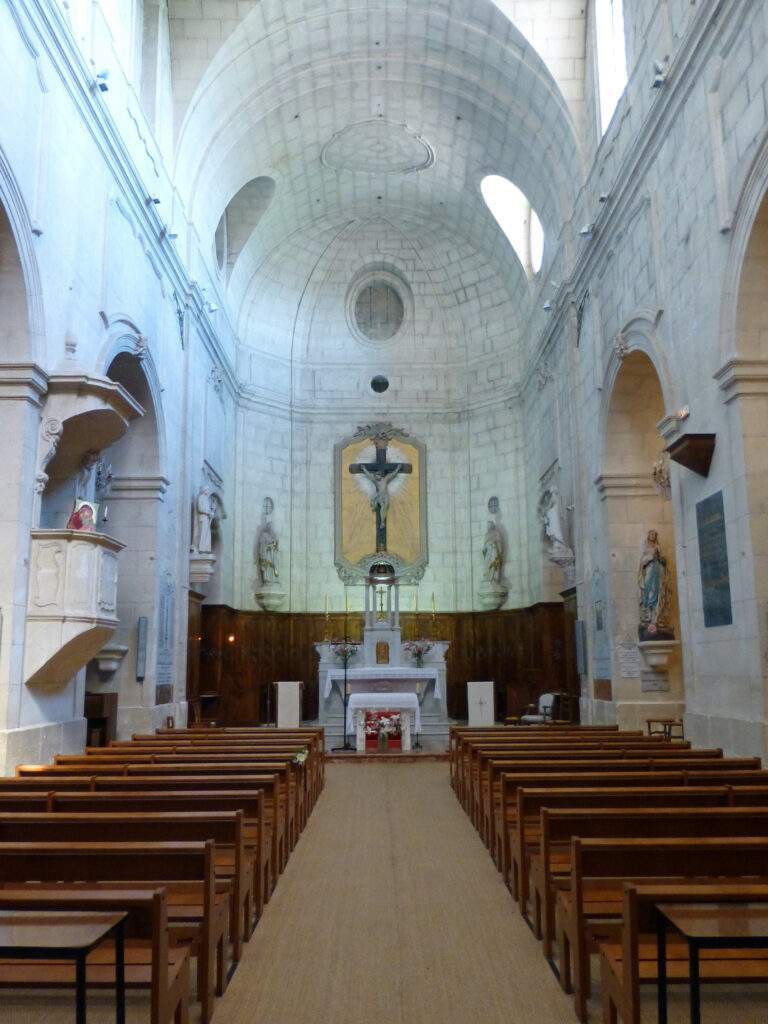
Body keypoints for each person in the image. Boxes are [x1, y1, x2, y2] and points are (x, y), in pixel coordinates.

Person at [638, 529, 673, 638]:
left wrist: (661, 558)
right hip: (649, 572)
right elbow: (642, 562)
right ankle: (648, 616)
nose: (653, 536)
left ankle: (656, 618)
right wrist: (651, 557)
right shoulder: (646, 548)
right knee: (649, 591)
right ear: (648, 535)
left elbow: (664, 561)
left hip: (658, 572)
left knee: (658, 593)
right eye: (651, 534)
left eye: (654, 534)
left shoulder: (658, 547)